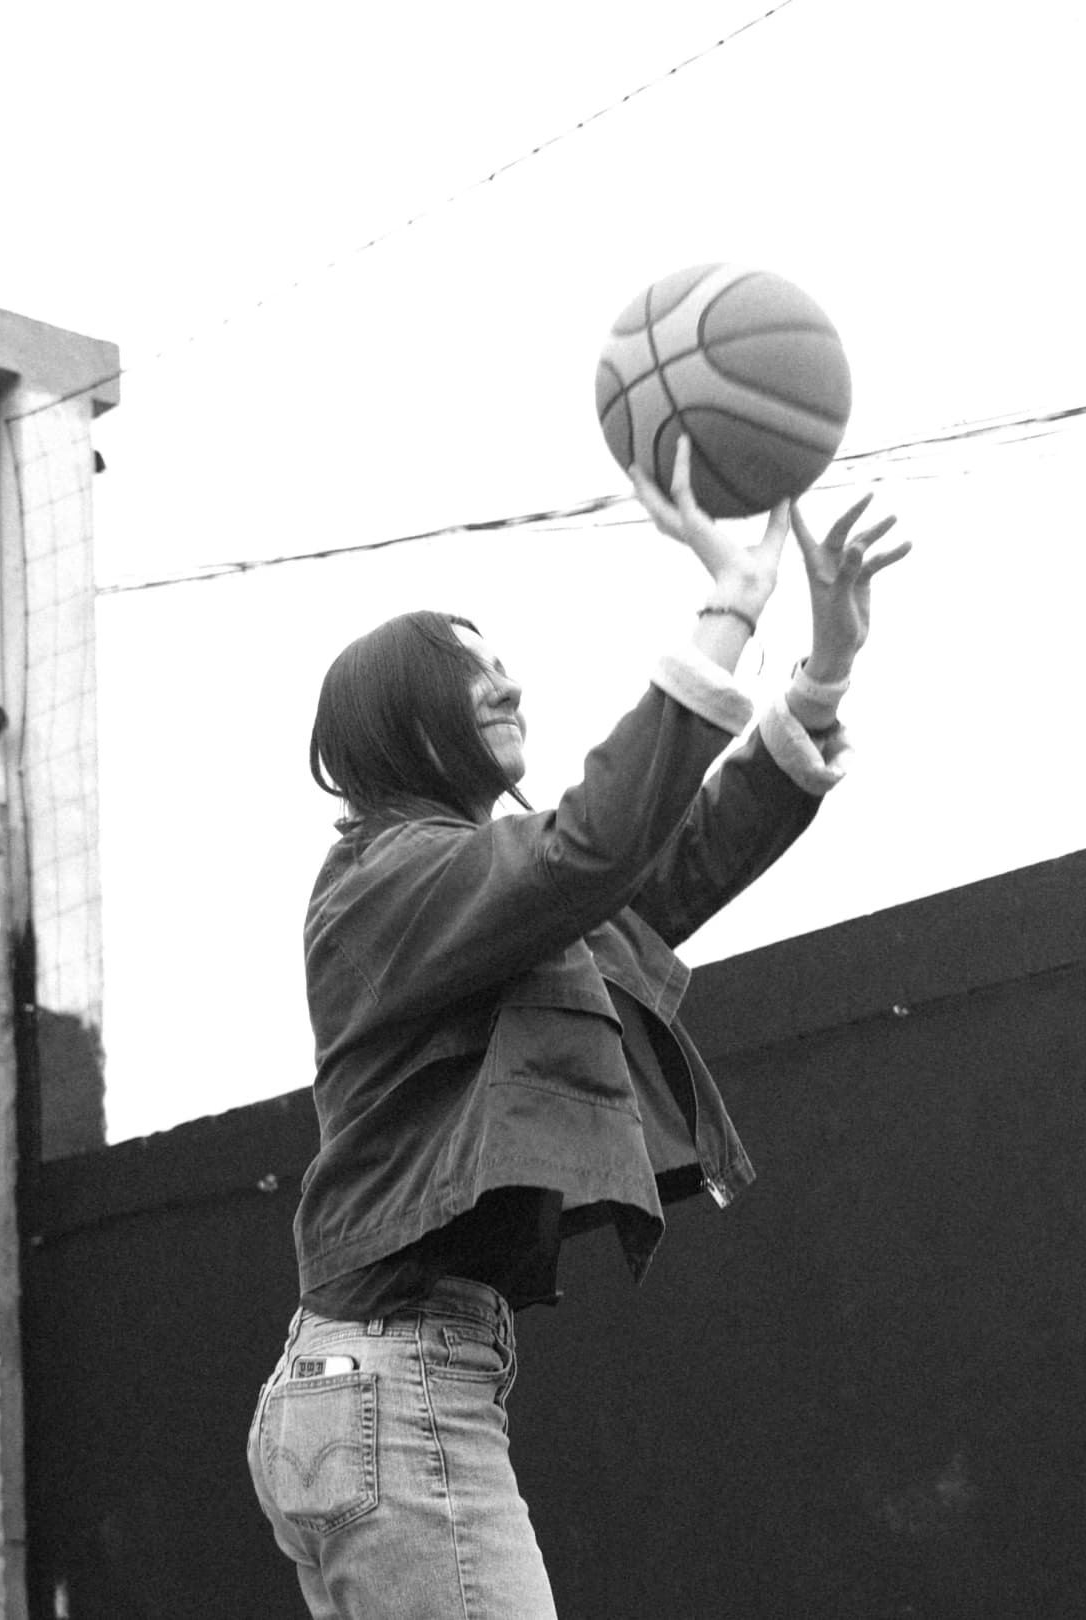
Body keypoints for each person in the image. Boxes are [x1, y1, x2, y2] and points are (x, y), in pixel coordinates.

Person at [246, 438, 910, 1619]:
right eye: (470, 673)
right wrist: (726, 607)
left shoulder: (481, 900)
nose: (508, 686)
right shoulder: (390, 882)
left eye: (504, 666)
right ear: (401, 720)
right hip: (394, 1387)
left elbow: (659, 867)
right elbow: (593, 847)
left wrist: (823, 672)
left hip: (386, 1387)